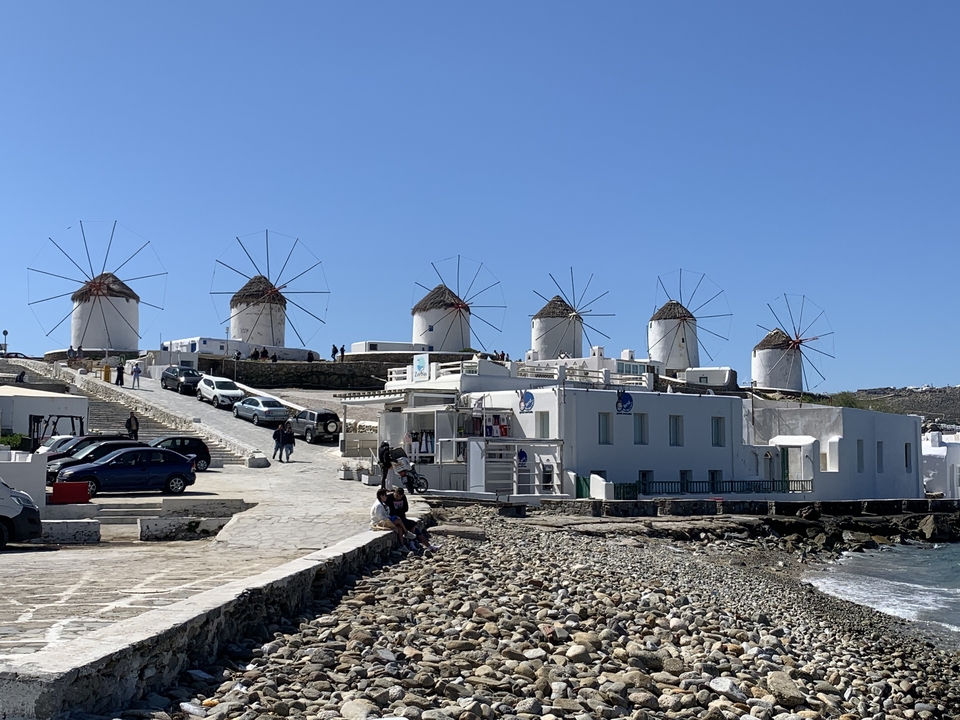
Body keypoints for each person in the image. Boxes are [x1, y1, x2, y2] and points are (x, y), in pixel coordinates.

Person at [387, 486, 439, 551]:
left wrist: (399, 510)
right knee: (412, 524)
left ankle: (430, 547)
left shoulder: (403, 498)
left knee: (417, 531)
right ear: (394, 493)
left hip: (402, 518)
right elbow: (389, 510)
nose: (398, 498)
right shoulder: (389, 498)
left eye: (400, 497)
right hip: (395, 519)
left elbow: (405, 508)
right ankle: (412, 543)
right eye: (396, 496)